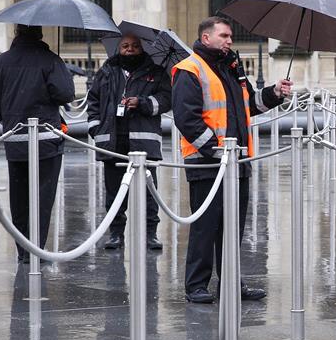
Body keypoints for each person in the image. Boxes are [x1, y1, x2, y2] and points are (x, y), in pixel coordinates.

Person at [172, 16, 292, 304]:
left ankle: (231, 283)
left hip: (238, 162)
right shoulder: (189, 68)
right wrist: (217, 150)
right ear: (206, 38)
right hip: (207, 162)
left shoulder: (231, 67)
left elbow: (250, 104)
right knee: (205, 227)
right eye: (224, 36)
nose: (229, 40)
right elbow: (186, 118)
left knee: (233, 228)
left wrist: (275, 93)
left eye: (230, 36)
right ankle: (196, 285)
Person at [0, 24, 75, 264]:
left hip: (15, 139)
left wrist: (10, 118)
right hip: (46, 139)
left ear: (16, 33)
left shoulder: (1, 62)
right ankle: (36, 249)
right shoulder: (50, 60)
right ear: (40, 34)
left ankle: (23, 249)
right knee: (42, 198)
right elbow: (66, 94)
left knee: (19, 199)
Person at [87, 33, 171, 250]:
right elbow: (93, 100)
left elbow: (166, 99)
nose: (130, 49)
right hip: (113, 141)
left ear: (142, 48)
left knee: (149, 193)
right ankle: (116, 234)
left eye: (135, 45)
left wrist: (142, 103)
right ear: (119, 48)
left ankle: (150, 234)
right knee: (114, 192)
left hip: (144, 143)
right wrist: (95, 128)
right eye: (125, 46)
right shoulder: (106, 71)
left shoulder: (156, 72)